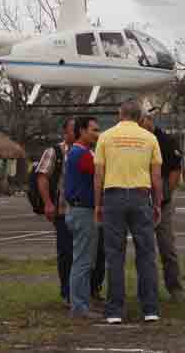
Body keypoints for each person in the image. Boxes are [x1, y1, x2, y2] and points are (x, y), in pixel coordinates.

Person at [94, 100, 163, 325]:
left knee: (114, 255)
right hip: (141, 196)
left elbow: (98, 176)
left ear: (119, 113)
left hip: (113, 197)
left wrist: (97, 205)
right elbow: (156, 177)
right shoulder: (150, 138)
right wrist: (158, 204)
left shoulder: (105, 137)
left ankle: (115, 310)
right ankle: (150, 309)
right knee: (146, 254)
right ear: (140, 117)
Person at [139, 110, 185, 302]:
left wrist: (165, 195)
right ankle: (148, 291)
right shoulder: (138, 140)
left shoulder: (166, 141)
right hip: (140, 201)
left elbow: (175, 170)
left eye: (142, 121)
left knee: (166, 247)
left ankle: (175, 288)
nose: (140, 126)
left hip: (162, 202)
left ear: (149, 120)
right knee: (144, 249)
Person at [65, 116, 102, 319]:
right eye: (94, 130)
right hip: (83, 212)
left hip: (79, 210)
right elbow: (101, 172)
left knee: (84, 260)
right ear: (81, 131)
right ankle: (79, 307)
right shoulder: (82, 154)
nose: (97, 134)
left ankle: (82, 303)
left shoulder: (80, 152)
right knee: (83, 261)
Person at [36, 118, 74, 308]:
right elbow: (42, 176)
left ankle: (88, 290)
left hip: (86, 211)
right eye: (74, 129)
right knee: (66, 252)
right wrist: (48, 203)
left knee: (89, 254)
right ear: (65, 132)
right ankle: (66, 292)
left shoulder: (90, 150)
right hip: (62, 210)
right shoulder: (55, 152)